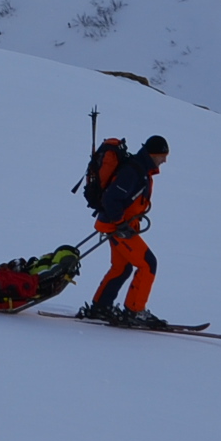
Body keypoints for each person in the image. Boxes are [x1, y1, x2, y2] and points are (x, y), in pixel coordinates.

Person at [82, 135, 168, 329]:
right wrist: (121, 224)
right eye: (163, 155)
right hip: (117, 227)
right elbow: (111, 199)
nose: (164, 160)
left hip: (116, 225)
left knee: (122, 268)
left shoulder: (140, 169)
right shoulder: (134, 171)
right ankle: (135, 311)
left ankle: (100, 307)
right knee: (148, 264)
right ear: (153, 154)